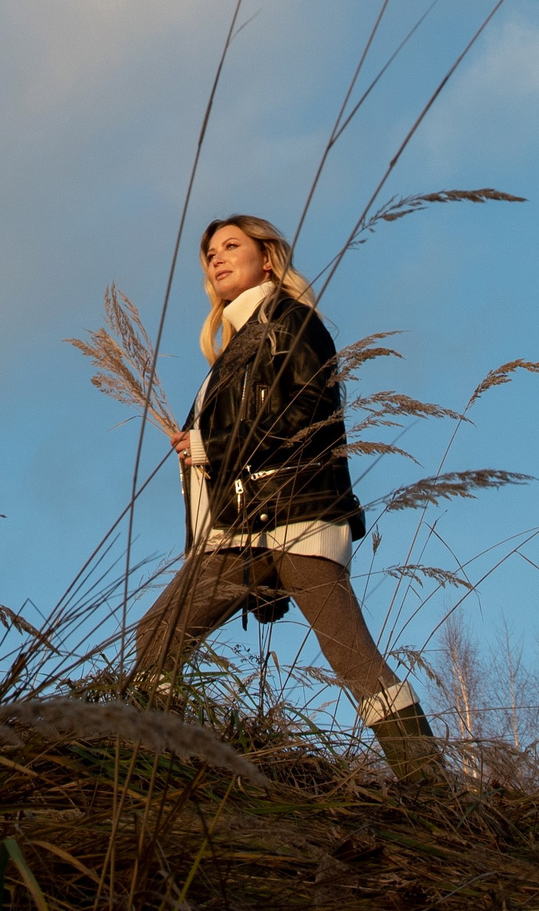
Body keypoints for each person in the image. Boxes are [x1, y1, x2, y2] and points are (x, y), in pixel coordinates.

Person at [133, 213, 439, 778]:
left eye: (231, 246)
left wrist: (209, 446)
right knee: (157, 634)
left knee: (353, 660)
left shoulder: (291, 325)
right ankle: (162, 764)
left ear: (267, 259)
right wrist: (206, 449)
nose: (217, 258)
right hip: (241, 529)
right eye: (210, 254)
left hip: (296, 516)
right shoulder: (234, 349)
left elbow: (304, 417)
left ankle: (429, 782)